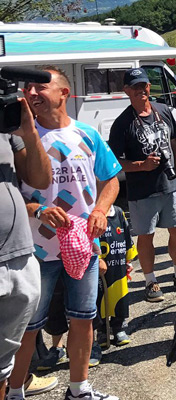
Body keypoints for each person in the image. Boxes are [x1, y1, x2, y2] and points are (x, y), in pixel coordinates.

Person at [12, 65, 121, 400]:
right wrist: (38, 211)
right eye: (27, 89)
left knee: (83, 319)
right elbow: (13, 194)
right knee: (27, 327)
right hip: (36, 249)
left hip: (82, 246)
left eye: (39, 88)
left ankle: (79, 389)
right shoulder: (19, 140)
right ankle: (14, 391)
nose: (31, 94)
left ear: (64, 93)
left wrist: (101, 210)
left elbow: (111, 179)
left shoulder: (87, 134)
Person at [108, 68, 176, 303]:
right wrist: (140, 165)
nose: (141, 90)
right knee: (146, 236)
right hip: (142, 190)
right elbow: (113, 162)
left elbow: (175, 143)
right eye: (135, 87)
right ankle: (150, 281)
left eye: (144, 85)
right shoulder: (122, 123)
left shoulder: (164, 110)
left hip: (170, 185)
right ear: (126, 91)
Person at [0, 94, 53, 400]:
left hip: (18, 257)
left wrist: (29, 134)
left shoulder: (6, 126)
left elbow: (39, 178)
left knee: (1, 369)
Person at [97, 204, 137, 346]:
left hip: (118, 263)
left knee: (119, 296)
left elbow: (127, 235)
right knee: (99, 297)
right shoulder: (91, 213)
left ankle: (119, 327)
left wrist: (128, 259)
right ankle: (102, 330)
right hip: (100, 266)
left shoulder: (118, 212)